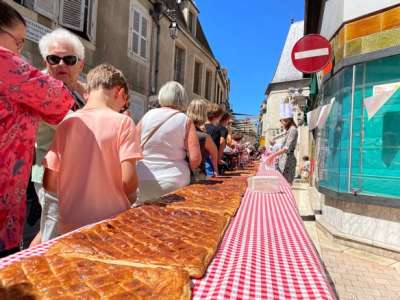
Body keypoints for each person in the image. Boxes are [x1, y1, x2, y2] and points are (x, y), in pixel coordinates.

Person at [0, 1, 74, 257]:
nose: (19, 51)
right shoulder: (6, 63)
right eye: (18, 41)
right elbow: (60, 104)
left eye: (70, 59)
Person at [39, 64, 142, 236]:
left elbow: (49, 183)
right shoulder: (123, 122)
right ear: (119, 92)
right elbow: (128, 181)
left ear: (89, 91)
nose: (122, 107)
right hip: (111, 223)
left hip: (70, 224)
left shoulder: (66, 123)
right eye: (124, 102)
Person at [31, 28, 86, 243]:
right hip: (51, 174)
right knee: (53, 234)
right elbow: (72, 127)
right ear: (46, 61)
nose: (61, 64)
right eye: (54, 59)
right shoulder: (42, 87)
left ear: (80, 63)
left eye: (69, 59)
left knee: (50, 230)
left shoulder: (80, 89)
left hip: (78, 173)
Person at [135, 81, 201, 205]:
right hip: (174, 180)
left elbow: (133, 147)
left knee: (138, 219)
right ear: (183, 99)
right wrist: (191, 170)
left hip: (142, 178)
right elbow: (195, 158)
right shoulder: (185, 120)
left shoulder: (147, 115)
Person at [186, 99, 219, 181]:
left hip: (177, 174)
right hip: (196, 176)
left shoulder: (180, 130)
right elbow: (214, 153)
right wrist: (215, 170)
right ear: (204, 114)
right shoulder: (204, 136)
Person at [266, 103, 298, 184]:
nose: (282, 123)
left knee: (286, 184)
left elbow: (286, 148)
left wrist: (272, 156)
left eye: (282, 121)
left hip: (288, 161)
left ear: (288, 120)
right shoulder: (289, 130)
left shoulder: (293, 130)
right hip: (284, 159)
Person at [204, 103, 224, 176]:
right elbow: (214, 152)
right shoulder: (216, 130)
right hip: (209, 164)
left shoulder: (201, 127)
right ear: (217, 116)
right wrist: (216, 170)